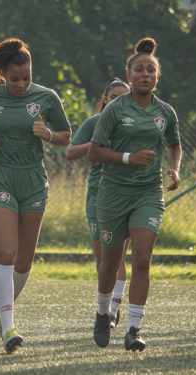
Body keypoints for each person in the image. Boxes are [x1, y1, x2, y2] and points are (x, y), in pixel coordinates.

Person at [0, 37, 72, 353]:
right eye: (14, 79)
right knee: (4, 252)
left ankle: (4, 309)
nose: (20, 84)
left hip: (32, 182)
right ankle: (8, 326)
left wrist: (49, 134)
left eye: (26, 77)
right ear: (2, 73)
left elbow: (66, 136)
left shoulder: (47, 97)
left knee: (24, 258)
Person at [90, 37, 182, 352]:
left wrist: (175, 168)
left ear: (158, 77)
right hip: (114, 193)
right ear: (129, 76)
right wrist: (128, 158)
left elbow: (174, 144)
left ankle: (133, 328)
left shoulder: (165, 112)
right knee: (110, 261)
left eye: (150, 71)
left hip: (148, 192)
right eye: (139, 70)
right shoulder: (115, 110)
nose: (145, 75)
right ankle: (103, 313)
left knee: (142, 257)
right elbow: (95, 151)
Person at [66, 78, 130, 328]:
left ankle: (113, 310)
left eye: (123, 97)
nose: (117, 101)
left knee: (118, 256)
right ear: (104, 100)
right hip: (97, 196)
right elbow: (70, 153)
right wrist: (93, 146)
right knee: (103, 257)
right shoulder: (94, 123)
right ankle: (105, 305)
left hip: (126, 194)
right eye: (113, 96)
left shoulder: (135, 124)